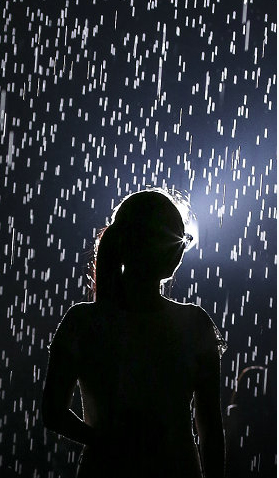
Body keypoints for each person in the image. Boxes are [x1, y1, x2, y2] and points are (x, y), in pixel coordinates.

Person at [42, 189, 226, 478]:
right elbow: (210, 429)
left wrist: (108, 443)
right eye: (170, 237)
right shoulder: (193, 324)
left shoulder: (84, 322)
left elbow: (53, 413)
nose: (177, 246)